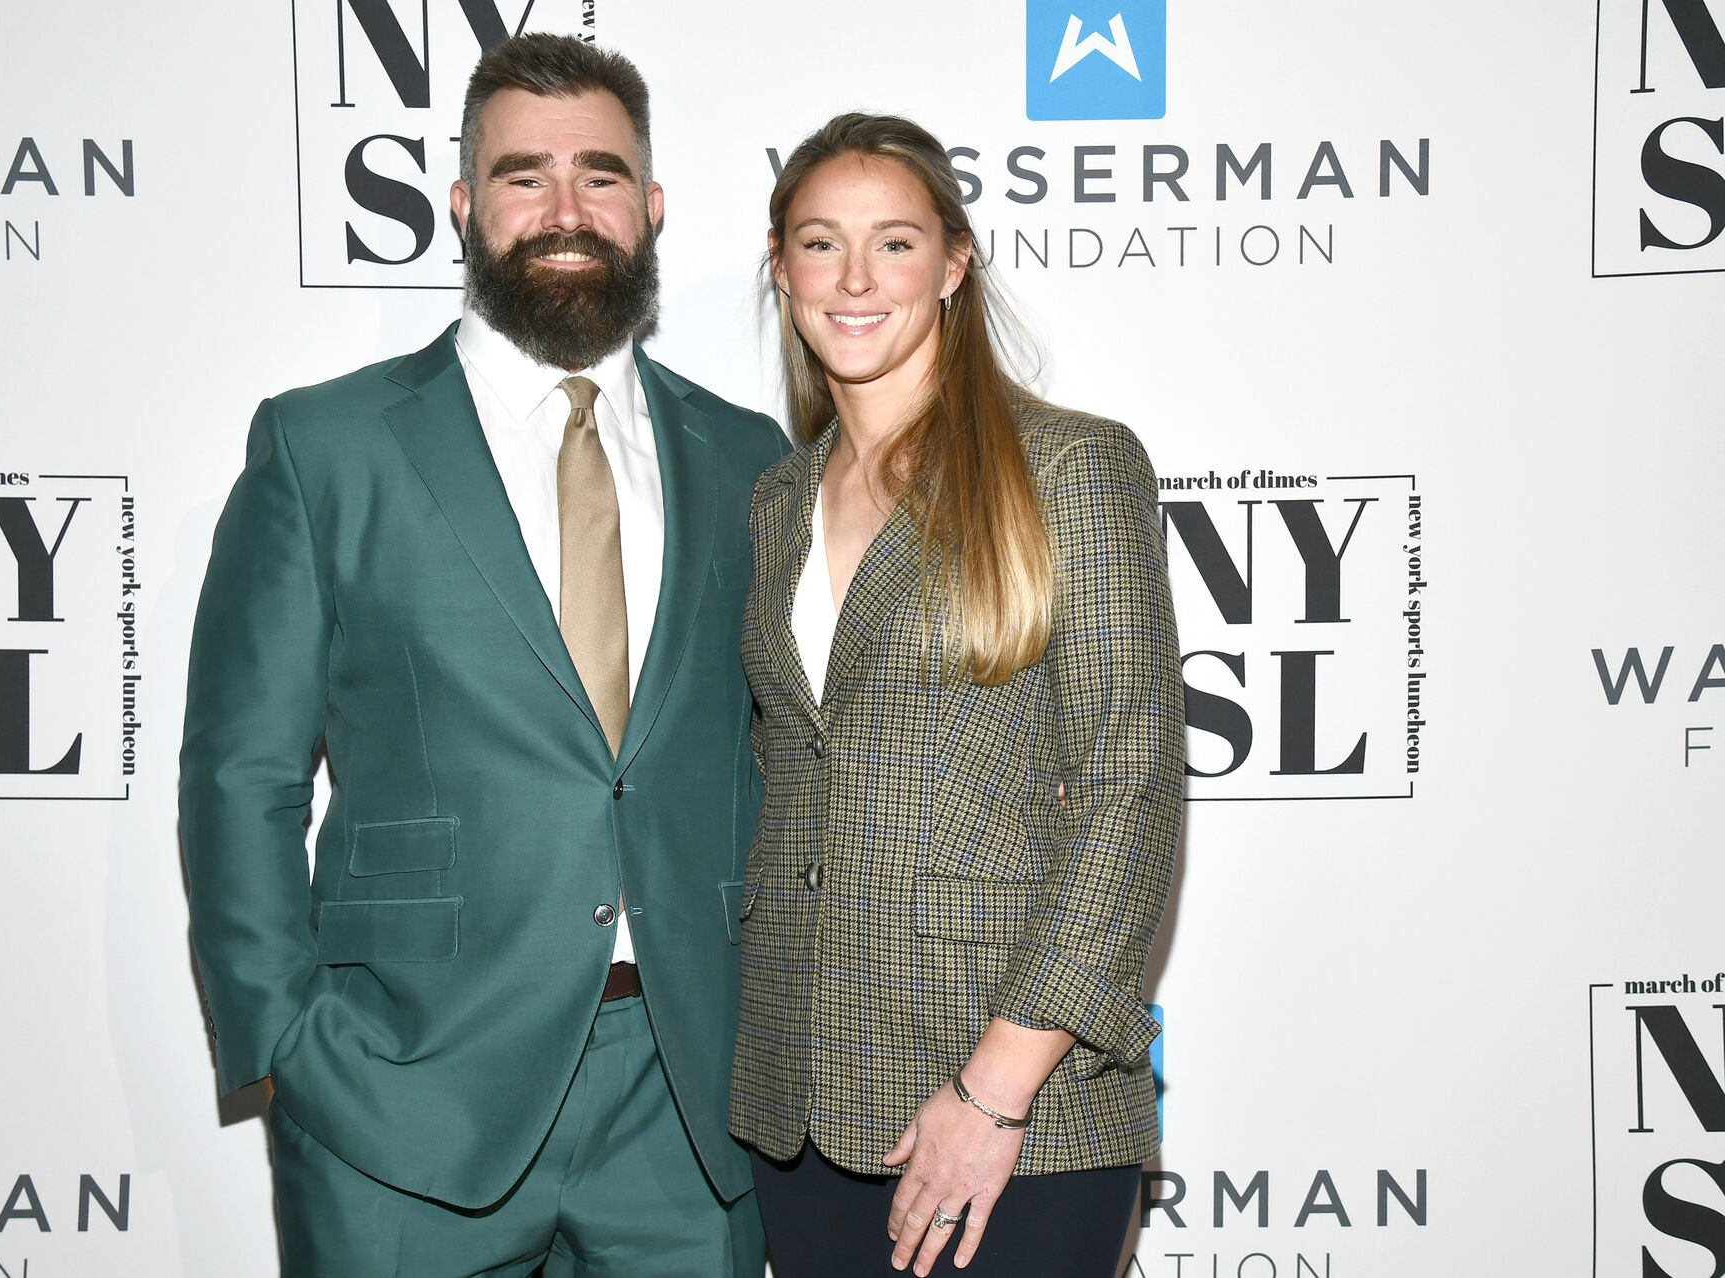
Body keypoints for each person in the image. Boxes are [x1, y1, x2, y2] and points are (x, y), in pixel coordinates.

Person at [178, 34, 784, 1278]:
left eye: (600, 175)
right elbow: (240, 775)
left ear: (651, 206)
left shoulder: (747, 457)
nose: (566, 209)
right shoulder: (326, 448)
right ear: (463, 204)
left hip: (688, 1104)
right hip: (401, 1095)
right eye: (523, 176)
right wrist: (286, 1039)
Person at [730, 113, 1184, 1277]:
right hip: (800, 1105)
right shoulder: (775, 501)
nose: (855, 279)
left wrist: (994, 1089)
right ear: (781, 268)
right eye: (821, 244)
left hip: (1018, 1112)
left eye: (894, 243)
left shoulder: (1071, 468)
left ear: (953, 263)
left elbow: (1130, 790)